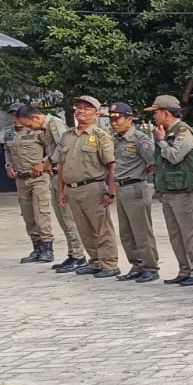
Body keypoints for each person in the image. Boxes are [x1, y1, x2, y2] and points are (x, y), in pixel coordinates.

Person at [53, 95, 120, 278]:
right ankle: (95, 261)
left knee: (101, 228)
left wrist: (111, 191)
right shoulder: (67, 136)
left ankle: (109, 263)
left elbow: (111, 165)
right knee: (84, 228)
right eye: (79, 107)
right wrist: (61, 191)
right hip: (71, 189)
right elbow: (61, 165)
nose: (81, 110)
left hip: (93, 188)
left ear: (96, 114)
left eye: (87, 108)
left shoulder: (100, 136)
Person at [148, 95, 193, 286]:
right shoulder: (163, 131)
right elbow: (160, 164)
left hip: (185, 190)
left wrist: (162, 141)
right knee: (175, 234)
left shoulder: (183, 131)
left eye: (156, 113)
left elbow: (175, 156)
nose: (154, 117)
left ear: (166, 113)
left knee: (190, 233)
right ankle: (185, 269)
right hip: (169, 190)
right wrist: (159, 187)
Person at [24, 107, 88, 272]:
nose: (31, 129)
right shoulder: (47, 127)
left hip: (63, 177)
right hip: (54, 176)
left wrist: (46, 161)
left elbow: (64, 148)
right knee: (62, 219)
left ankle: (79, 256)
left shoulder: (55, 124)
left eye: (30, 124)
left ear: (36, 117)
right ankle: (72, 254)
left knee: (68, 219)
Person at [107, 102, 159, 283]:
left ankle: (151, 267)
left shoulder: (140, 139)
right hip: (121, 188)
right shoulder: (118, 139)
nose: (113, 122)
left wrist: (141, 174)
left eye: (117, 118)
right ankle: (137, 265)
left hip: (136, 186)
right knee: (126, 232)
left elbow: (152, 162)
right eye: (111, 119)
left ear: (129, 119)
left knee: (141, 230)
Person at [3, 104, 57, 264]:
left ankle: (48, 249)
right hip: (21, 179)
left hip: (38, 178)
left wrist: (43, 163)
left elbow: (52, 148)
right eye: (12, 115)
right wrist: (8, 166)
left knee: (41, 213)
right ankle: (37, 248)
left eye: (18, 115)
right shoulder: (9, 134)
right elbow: (7, 152)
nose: (16, 119)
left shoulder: (37, 130)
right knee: (28, 216)